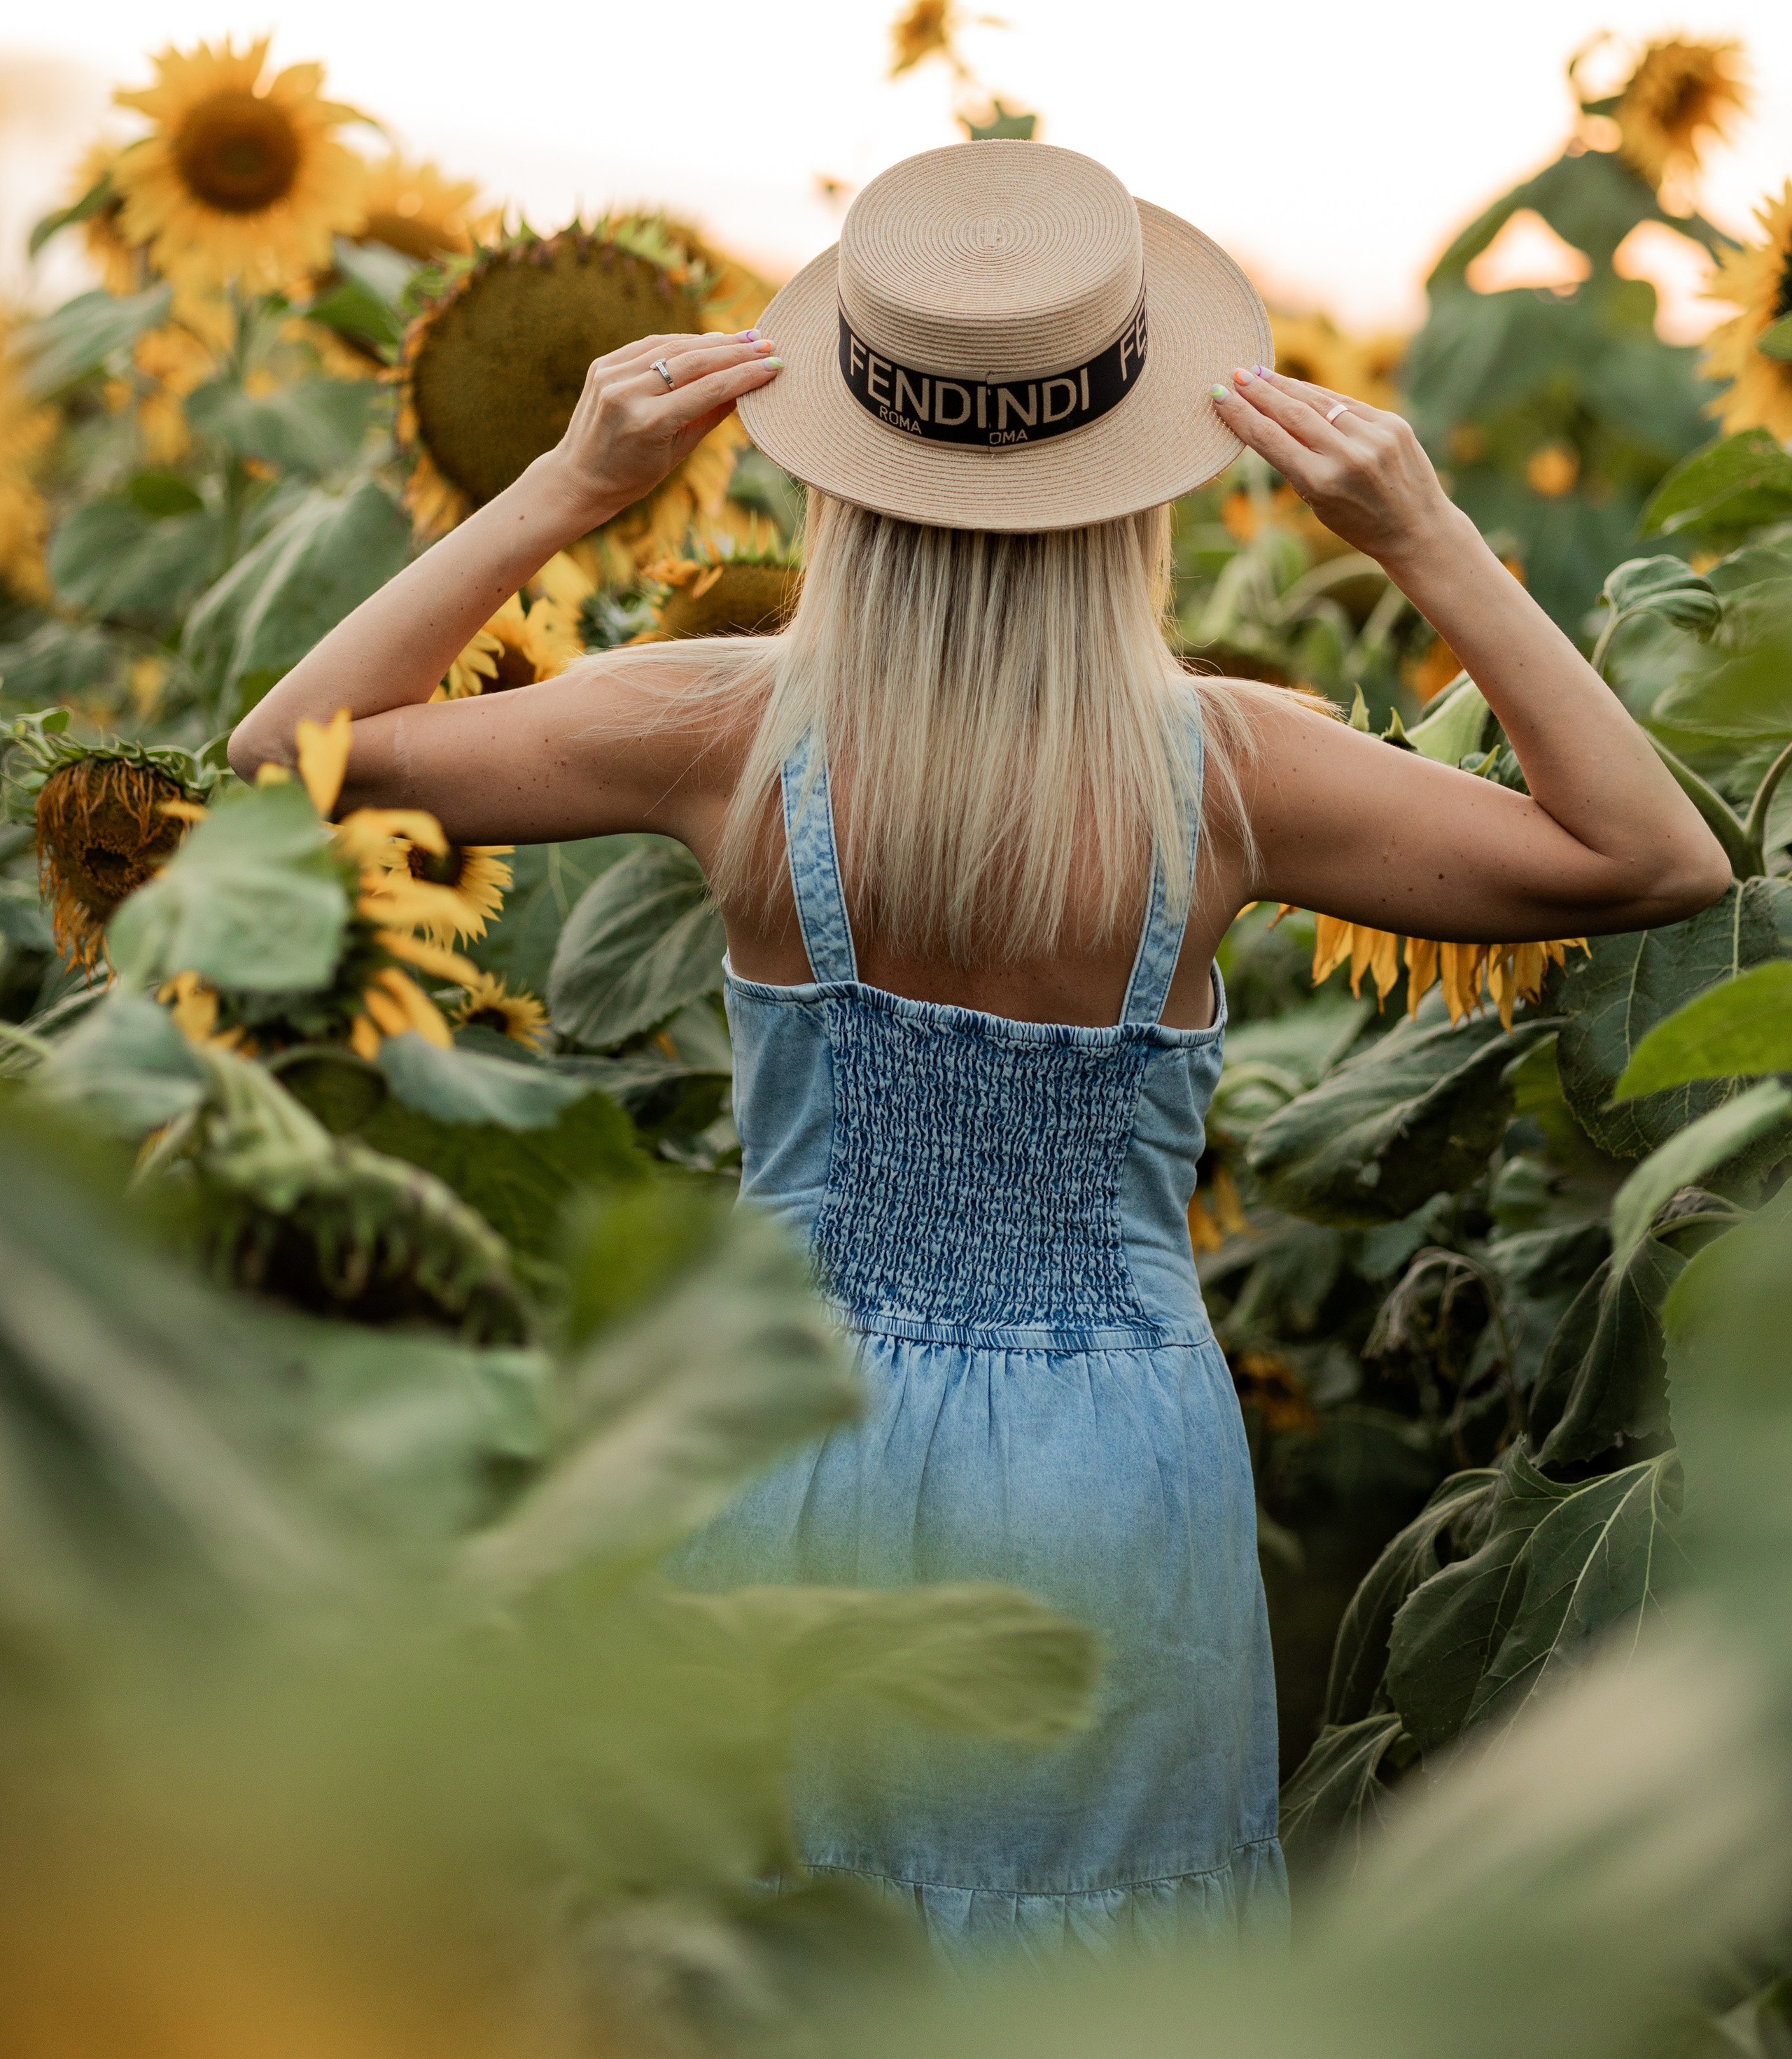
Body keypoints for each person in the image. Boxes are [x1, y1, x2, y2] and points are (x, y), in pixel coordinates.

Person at [231, 140, 1729, 1961]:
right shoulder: (1226, 770)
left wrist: (566, 487)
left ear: (843, 466)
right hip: (1110, 1476)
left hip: (781, 1445)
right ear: (1135, 474)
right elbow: (1655, 859)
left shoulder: (719, 729)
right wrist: (1425, 536)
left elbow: (288, 753)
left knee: (770, 1952)